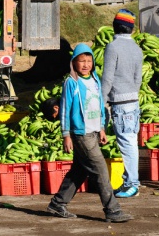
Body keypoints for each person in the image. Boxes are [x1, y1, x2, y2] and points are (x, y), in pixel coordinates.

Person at [46, 43, 133, 223]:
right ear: (73, 63)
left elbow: (100, 104)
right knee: (100, 170)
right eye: (81, 61)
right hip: (80, 133)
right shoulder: (71, 82)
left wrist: (101, 127)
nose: (85, 64)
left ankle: (57, 203)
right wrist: (66, 134)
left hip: (93, 131)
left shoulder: (95, 79)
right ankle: (112, 210)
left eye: (88, 60)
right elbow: (65, 109)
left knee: (79, 170)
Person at [102, 9, 143, 198]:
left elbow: (108, 78)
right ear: (131, 29)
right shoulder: (137, 48)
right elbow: (138, 79)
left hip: (120, 101)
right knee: (131, 141)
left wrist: (102, 101)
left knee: (127, 144)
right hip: (133, 101)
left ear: (114, 26)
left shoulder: (113, 47)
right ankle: (129, 181)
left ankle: (132, 184)